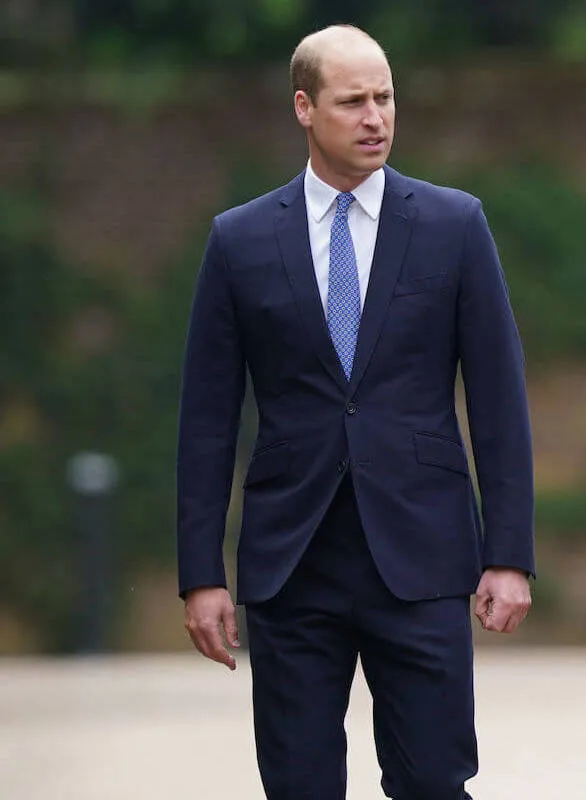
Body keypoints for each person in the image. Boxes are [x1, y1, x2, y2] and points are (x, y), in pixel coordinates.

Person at [176, 25, 534, 800]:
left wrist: (508, 554)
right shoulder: (238, 240)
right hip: (291, 561)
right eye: (353, 102)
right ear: (305, 108)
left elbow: (500, 400)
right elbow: (206, 419)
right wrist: (200, 574)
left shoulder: (453, 225)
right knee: (299, 784)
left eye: (385, 97)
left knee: (434, 781)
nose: (375, 117)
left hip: (424, 554)